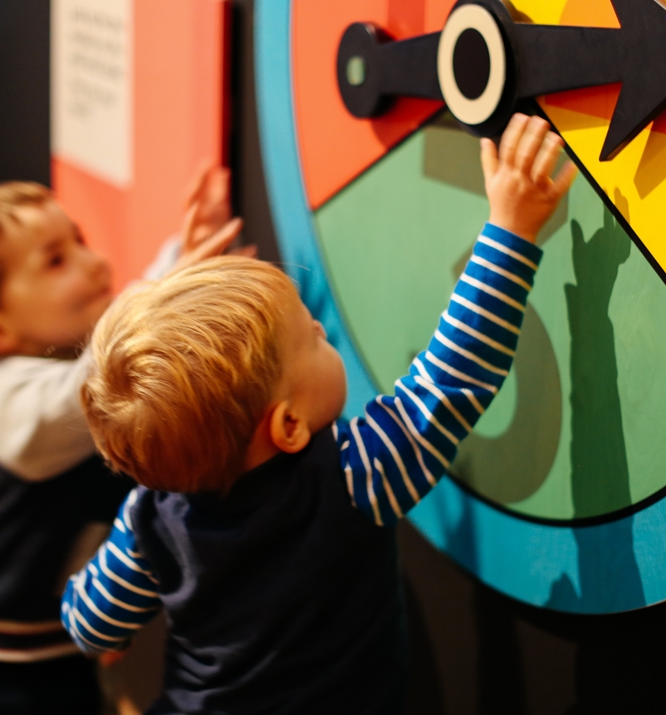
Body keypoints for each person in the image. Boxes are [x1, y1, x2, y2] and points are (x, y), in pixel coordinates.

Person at [61, 114, 576, 713]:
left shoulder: (149, 517)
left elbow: (88, 623)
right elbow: (453, 376)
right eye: (312, 338)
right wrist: (511, 229)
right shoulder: (354, 478)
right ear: (287, 425)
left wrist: (106, 632)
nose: (320, 330)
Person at [0, 166, 246, 714]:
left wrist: (184, 249)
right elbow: (87, 390)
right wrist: (164, 295)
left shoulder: (66, 363)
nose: (94, 262)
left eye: (79, 240)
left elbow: (108, 345)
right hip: (1, 661)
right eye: (57, 260)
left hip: (63, 646)